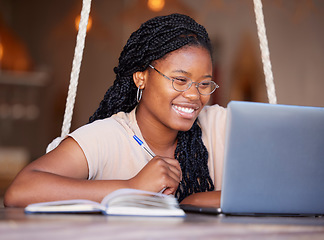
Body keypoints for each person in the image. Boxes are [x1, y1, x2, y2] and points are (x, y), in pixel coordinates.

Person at [4, 13, 226, 208]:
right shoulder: (106, 137)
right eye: (180, 80)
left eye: (204, 84)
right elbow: (21, 190)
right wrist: (132, 187)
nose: (194, 95)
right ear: (141, 77)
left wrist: (194, 201)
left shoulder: (218, 125)